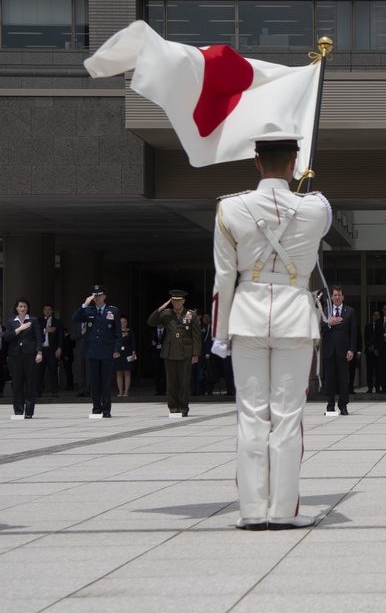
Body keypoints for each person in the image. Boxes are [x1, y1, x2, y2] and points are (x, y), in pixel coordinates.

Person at [210, 130, 332, 531]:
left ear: (257, 161)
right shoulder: (317, 207)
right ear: (295, 164)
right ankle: (282, 511)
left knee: (251, 416)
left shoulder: (229, 209)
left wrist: (219, 334)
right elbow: (318, 219)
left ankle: (251, 510)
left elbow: (223, 279)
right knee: (287, 416)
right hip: (295, 316)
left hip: (245, 315)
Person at [72, 285, 122, 418]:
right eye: (95, 295)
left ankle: (106, 409)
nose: (97, 298)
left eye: (99, 295)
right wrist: (84, 304)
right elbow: (75, 318)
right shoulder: (88, 311)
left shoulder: (113, 311)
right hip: (92, 351)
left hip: (107, 351)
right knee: (94, 381)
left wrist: (117, 350)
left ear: (104, 296)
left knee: (105, 381)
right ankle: (96, 408)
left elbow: (117, 333)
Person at [148, 290, 200, 416]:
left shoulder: (190, 314)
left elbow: (196, 336)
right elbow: (151, 321)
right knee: (171, 381)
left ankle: (183, 407)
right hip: (170, 350)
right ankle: (173, 407)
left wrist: (196, 353)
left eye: (179, 300)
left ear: (183, 301)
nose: (176, 302)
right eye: (174, 300)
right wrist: (161, 308)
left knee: (184, 381)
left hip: (185, 351)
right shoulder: (166, 313)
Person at [3, 298, 43, 418]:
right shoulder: (11, 322)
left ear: (27, 308)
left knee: (30, 383)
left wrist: (39, 352)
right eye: (20, 306)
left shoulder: (33, 320)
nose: (22, 309)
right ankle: (19, 412)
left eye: (24, 307)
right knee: (17, 383)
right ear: (16, 308)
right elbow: (6, 337)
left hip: (30, 354)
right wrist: (20, 328)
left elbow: (38, 337)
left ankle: (29, 412)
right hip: (15, 355)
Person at [321, 285, 357, 415]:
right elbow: (321, 328)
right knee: (330, 379)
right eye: (335, 295)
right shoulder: (326, 312)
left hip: (343, 351)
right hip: (329, 350)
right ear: (331, 297)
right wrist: (329, 324)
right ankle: (330, 405)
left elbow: (353, 333)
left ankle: (343, 405)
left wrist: (351, 349)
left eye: (339, 295)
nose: (337, 297)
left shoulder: (350, 311)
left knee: (343, 379)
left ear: (343, 296)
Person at [36, 303, 63, 397]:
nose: (47, 311)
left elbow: (61, 337)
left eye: (49, 310)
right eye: (45, 310)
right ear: (43, 311)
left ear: (52, 311)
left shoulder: (57, 322)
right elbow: (34, 333)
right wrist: (45, 330)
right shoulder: (38, 321)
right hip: (41, 350)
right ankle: (38, 391)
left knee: (53, 371)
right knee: (39, 371)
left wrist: (59, 348)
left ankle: (55, 391)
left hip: (52, 350)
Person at [113, 316, 136, 397]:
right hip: (118, 354)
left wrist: (133, 354)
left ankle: (126, 391)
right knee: (119, 373)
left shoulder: (131, 332)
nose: (123, 324)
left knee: (127, 372)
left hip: (127, 354)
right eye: (121, 322)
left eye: (124, 322)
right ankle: (120, 391)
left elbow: (133, 344)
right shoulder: (115, 332)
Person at [363, 310, 382, 393]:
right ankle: (370, 387)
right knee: (369, 370)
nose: (376, 317)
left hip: (378, 351)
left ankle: (378, 386)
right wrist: (369, 346)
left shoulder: (382, 326)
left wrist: (376, 347)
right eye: (374, 315)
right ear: (372, 316)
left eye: (378, 315)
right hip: (369, 351)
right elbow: (365, 338)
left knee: (378, 369)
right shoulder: (368, 326)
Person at [150, 323, 167, 395]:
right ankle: (158, 390)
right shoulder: (152, 332)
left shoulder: (167, 331)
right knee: (157, 374)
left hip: (164, 354)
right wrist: (152, 344)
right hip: (155, 355)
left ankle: (165, 390)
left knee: (165, 373)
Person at [60, 326, 75, 392]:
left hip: (67, 357)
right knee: (68, 371)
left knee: (68, 371)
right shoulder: (69, 338)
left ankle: (70, 385)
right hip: (68, 357)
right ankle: (69, 385)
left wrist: (66, 355)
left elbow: (68, 348)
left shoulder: (68, 338)